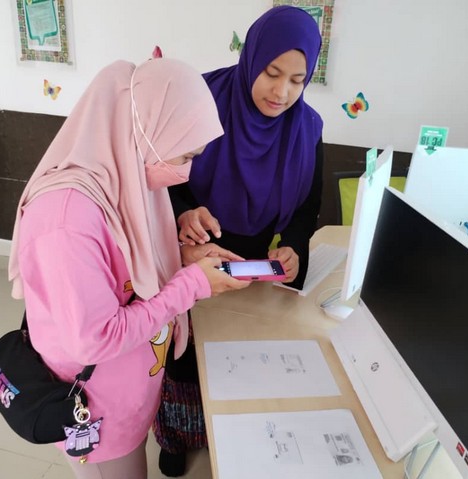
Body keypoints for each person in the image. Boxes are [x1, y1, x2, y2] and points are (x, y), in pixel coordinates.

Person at [7, 58, 250, 479]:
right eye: (185, 154)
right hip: (93, 410)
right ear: (149, 129)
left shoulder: (122, 175)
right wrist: (192, 284)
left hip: (126, 391)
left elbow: (123, 259)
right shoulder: (65, 220)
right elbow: (96, 337)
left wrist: (181, 251)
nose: (185, 171)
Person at [153, 5, 324, 476]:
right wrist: (183, 212)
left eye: (297, 80)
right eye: (272, 73)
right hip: (190, 246)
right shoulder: (203, 99)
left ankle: (229, 432)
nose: (282, 92)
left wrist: (294, 246)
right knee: (183, 351)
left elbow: (308, 207)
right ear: (252, 58)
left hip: (253, 257)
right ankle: (177, 434)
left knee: (237, 352)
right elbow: (162, 173)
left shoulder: (306, 129)